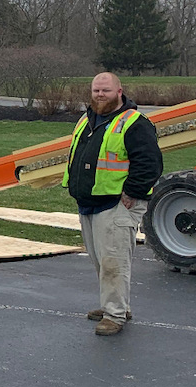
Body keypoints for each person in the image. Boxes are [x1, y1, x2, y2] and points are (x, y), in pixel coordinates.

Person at [63, 71, 162, 336]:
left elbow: (150, 163)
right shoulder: (88, 120)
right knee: (100, 260)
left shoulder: (134, 123)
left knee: (113, 262)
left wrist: (132, 192)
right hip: (90, 203)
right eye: (96, 90)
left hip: (117, 204)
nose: (99, 95)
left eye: (105, 90)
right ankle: (116, 305)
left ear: (119, 92)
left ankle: (115, 315)